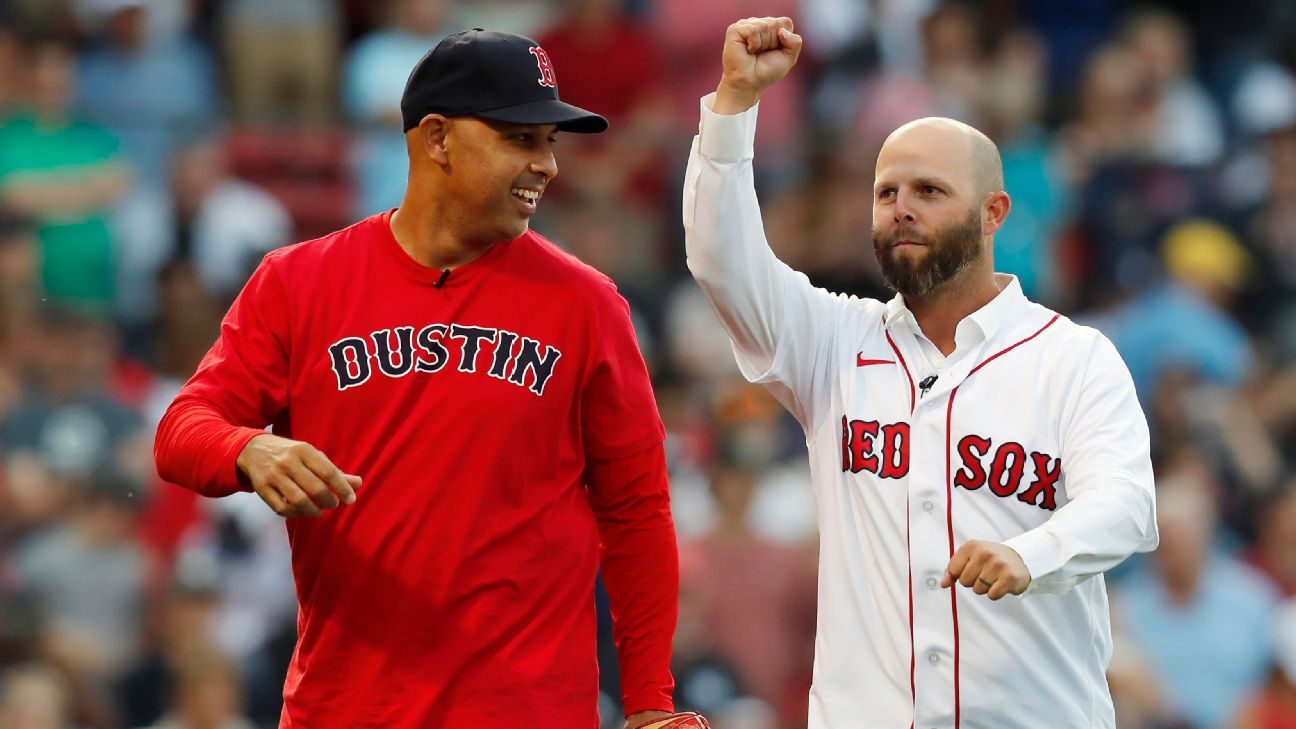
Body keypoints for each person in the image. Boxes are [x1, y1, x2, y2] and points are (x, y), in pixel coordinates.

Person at [155, 29, 680, 728]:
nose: (548, 165)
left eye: (550, 141)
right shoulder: (299, 283)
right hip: (347, 708)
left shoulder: (588, 305)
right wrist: (247, 449)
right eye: (521, 139)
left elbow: (637, 511)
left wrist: (649, 702)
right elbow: (180, 430)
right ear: (437, 139)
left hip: (526, 710)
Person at [683, 16, 1158, 729]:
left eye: (929, 190)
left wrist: (1035, 551)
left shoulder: (1073, 357)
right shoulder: (834, 341)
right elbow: (722, 260)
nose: (901, 207)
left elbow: (1126, 505)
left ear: (995, 212)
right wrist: (733, 105)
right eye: (886, 193)